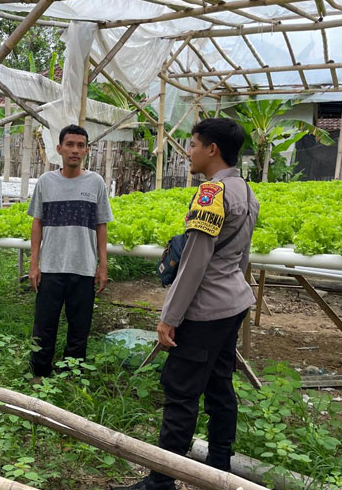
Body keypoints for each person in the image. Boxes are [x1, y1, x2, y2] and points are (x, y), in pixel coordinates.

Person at [118, 118, 259, 490]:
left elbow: (195, 262)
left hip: (205, 310)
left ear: (212, 149)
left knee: (180, 390)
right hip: (233, 303)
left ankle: (162, 479)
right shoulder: (246, 189)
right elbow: (242, 256)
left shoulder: (212, 193)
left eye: (194, 144)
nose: (189, 151)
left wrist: (169, 317)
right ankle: (218, 467)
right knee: (219, 385)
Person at [26, 124, 114, 379]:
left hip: (84, 267)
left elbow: (101, 224)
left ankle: (70, 375)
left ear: (87, 150)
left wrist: (102, 264)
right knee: (43, 325)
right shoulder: (46, 182)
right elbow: (37, 222)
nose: (75, 150)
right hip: (51, 267)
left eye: (80, 145)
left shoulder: (95, 183)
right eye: (70, 145)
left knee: (80, 327)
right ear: (59, 149)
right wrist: (34, 263)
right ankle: (39, 374)